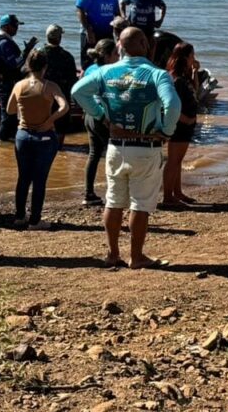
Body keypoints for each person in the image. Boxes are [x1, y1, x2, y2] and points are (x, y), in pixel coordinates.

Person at [72, 28, 181, 268]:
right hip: (145, 146)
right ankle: (137, 256)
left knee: (113, 200)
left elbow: (77, 91)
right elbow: (173, 104)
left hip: (115, 146)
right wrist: (166, 130)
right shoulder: (156, 74)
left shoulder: (106, 71)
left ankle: (112, 253)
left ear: (120, 47)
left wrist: (101, 115)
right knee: (140, 204)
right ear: (144, 44)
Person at [6, 49, 69, 230]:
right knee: (39, 179)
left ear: (28, 65)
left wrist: (24, 110)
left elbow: (10, 110)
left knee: (23, 177)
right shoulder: (50, 86)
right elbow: (64, 106)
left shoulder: (19, 85)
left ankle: (19, 216)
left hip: (23, 135)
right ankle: (35, 220)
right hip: (44, 136)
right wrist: (49, 121)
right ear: (45, 67)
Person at [160, 42, 199, 208]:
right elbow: (169, 105)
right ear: (185, 57)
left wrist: (195, 71)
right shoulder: (175, 79)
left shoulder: (184, 77)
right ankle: (168, 196)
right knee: (173, 160)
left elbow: (195, 92)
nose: (194, 59)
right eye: (192, 56)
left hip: (187, 124)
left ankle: (177, 192)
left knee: (178, 160)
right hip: (180, 124)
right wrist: (185, 119)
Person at [81, 39, 119, 207]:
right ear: (107, 55)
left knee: (94, 154)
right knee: (115, 154)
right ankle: (115, 193)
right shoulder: (109, 71)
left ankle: (88, 193)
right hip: (102, 117)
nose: (118, 57)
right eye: (116, 54)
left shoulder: (89, 69)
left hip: (88, 115)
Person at [0, 14, 37, 141]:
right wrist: (27, 52)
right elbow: (16, 64)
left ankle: (7, 141)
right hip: (4, 84)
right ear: (6, 26)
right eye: (14, 26)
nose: (17, 28)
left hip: (4, 82)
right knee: (8, 116)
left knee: (10, 115)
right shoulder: (3, 42)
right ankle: (2, 144)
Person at [76, 0, 120, 68]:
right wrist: (88, 29)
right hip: (91, 33)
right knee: (88, 62)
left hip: (107, 32)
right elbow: (80, 10)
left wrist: (119, 30)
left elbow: (117, 12)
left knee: (109, 61)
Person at [42, 24, 79, 146]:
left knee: (43, 123)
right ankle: (58, 148)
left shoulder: (39, 54)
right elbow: (73, 80)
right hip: (61, 96)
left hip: (43, 95)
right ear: (59, 38)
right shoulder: (67, 56)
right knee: (61, 126)